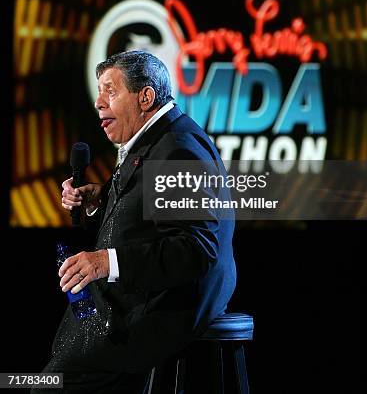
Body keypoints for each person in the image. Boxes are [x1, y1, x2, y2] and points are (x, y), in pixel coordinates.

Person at [34, 50, 236, 393]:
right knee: (63, 351)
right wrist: (101, 200)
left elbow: (197, 249)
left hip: (169, 304)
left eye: (110, 91)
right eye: (99, 91)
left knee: (55, 382)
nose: (98, 102)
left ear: (146, 97)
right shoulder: (154, 138)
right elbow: (150, 216)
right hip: (141, 293)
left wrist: (104, 262)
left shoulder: (179, 149)